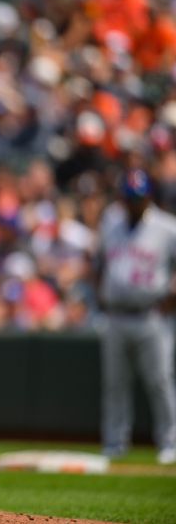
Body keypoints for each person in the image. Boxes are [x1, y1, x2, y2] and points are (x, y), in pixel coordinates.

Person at [95, 168, 176, 465]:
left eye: (138, 198)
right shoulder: (111, 223)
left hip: (151, 315)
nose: (133, 203)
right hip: (116, 315)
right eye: (129, 198)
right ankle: (115, 441)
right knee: (114, 383)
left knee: (159, 380)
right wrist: (101, 294)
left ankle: (170, 442)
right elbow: (99, 263)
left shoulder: (167, 227)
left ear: (148, 198)